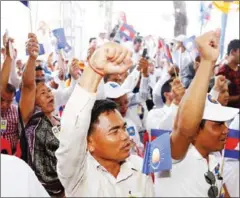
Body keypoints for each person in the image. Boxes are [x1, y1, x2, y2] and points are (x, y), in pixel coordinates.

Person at [56, 42, 154, 197]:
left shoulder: (140, 168)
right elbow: (72, 128)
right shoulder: (78, 175)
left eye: (123, 128)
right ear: (90, 142)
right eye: (114, 131)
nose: (125, 136)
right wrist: (94, 71)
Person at [155, 30, 239, 197]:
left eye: (224, 124)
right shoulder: (169, 154)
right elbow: (183, 128)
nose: (225, 130)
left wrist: (215, 89)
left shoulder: (213, 157)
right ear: (195, 129)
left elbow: (221, 191)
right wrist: (207, 62)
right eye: (218, 125)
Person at [19, 33, 64, 196]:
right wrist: (32, 58)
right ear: (33, 101)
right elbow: (28, 86)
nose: (49, 95)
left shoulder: (59, 120)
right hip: (41, 191)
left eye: (49, 91)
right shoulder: (30, 117)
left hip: (66, 188)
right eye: (43, 93)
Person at [0, 36, 19, 152]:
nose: (4, 105)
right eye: (2, 100)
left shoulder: (16, 111)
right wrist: (8, 57)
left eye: (9, 101)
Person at [217, 39, 240, 108]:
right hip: (231, 111)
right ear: (233, 52)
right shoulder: (223, 72)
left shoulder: (238, 69)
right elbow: (219, 98)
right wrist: (238, 97)